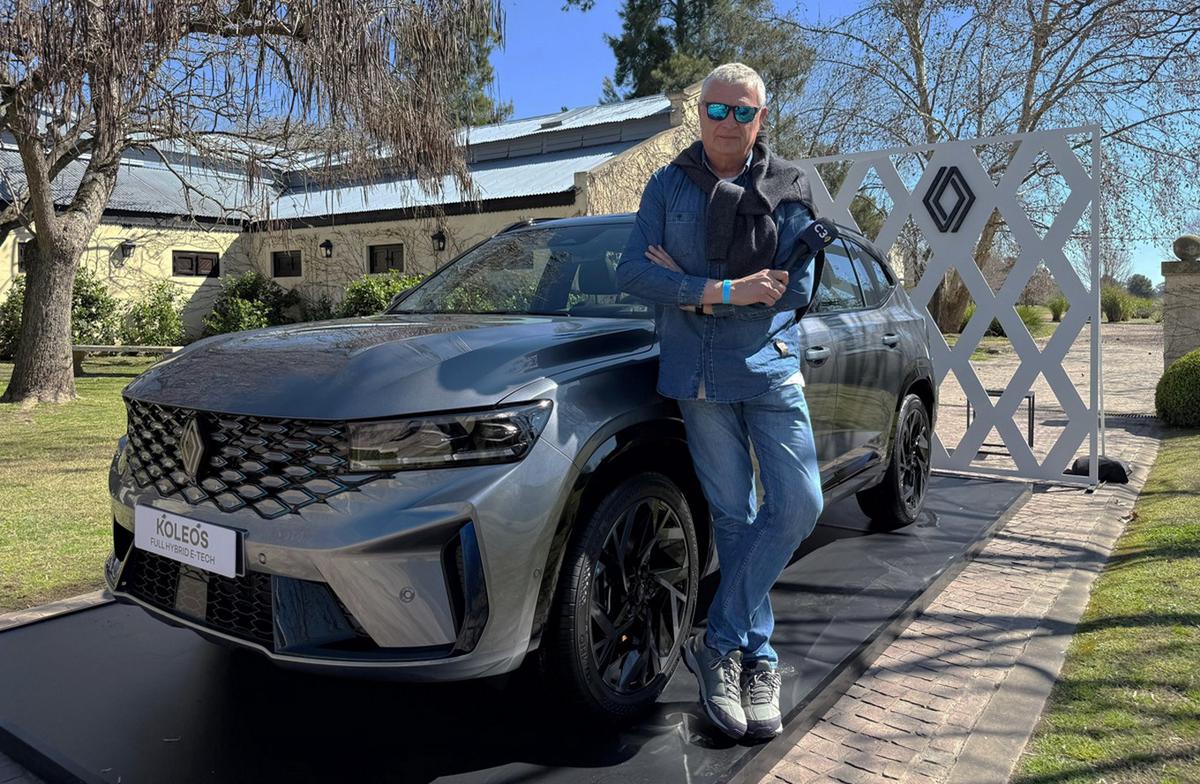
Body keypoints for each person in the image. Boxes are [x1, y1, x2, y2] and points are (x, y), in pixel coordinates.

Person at [615, 62, 830, 741]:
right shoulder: (667, 184)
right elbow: (631, 272)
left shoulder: (790, 186)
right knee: (734, 520)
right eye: (717, 109)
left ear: (761, 119)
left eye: (743, 112)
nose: (728, 123)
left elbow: (795, 287)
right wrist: (724, 291)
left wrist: (686, 286)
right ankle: (754, 659)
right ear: (699, 113)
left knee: (799, 504)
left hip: (769, 368)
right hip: (698, 376)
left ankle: (717, 641)